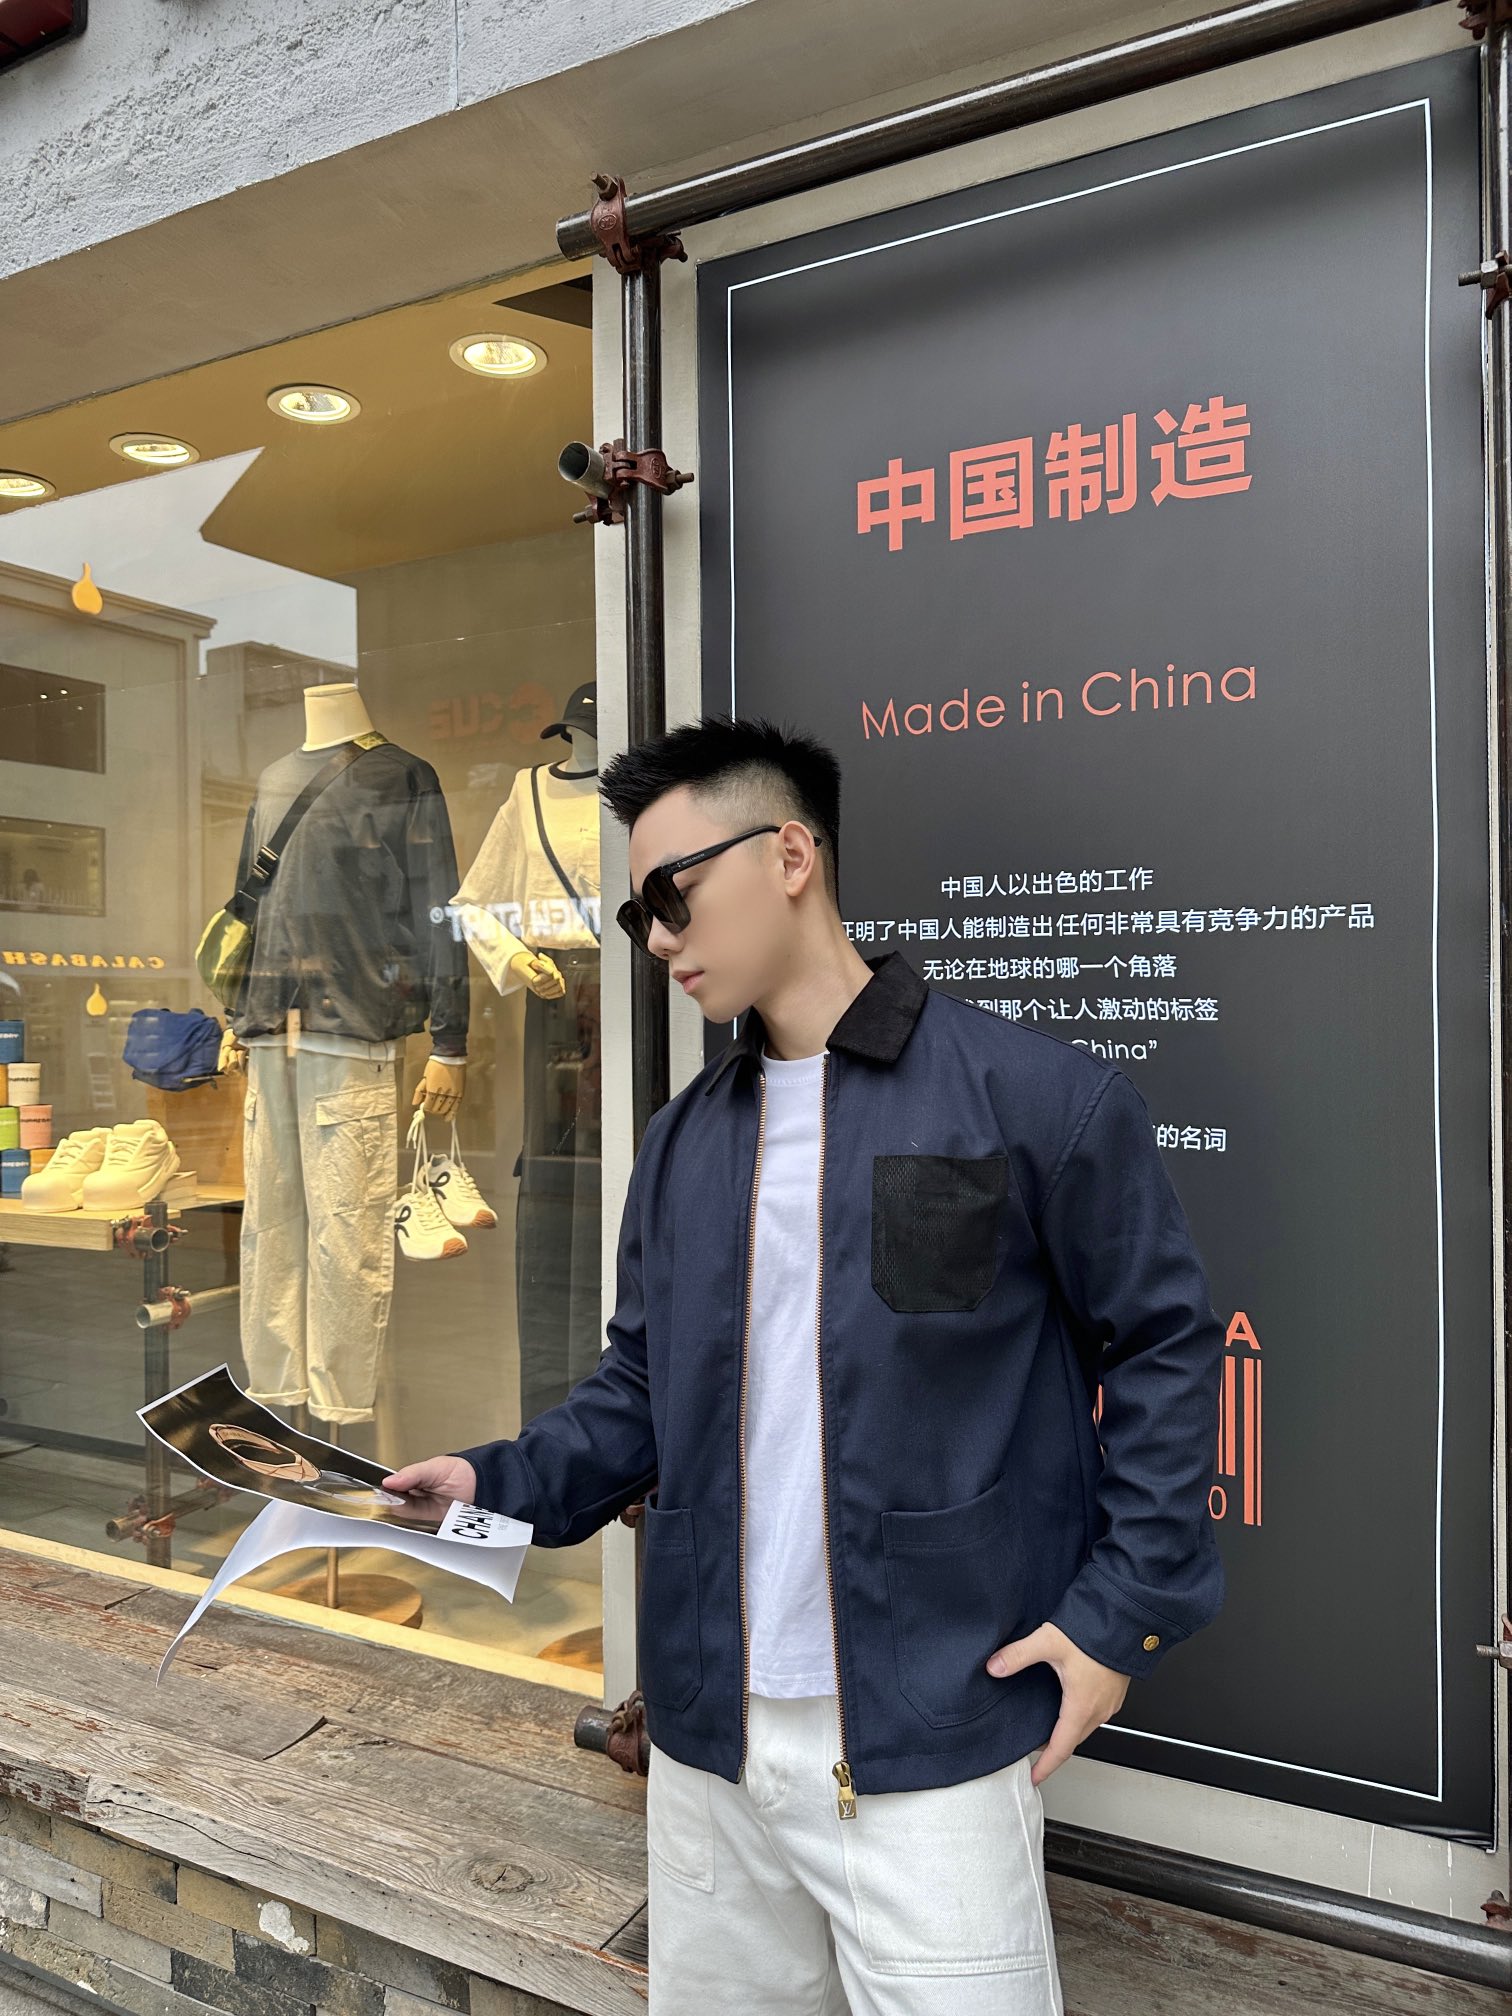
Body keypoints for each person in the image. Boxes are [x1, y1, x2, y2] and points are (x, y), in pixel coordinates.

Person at [385, 713, 1227, 2015]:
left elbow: (1167, 1347)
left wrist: (1117, 1620)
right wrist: (493, 1485)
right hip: (707, 1746)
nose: (657, 938)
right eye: (637, 915)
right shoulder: (680, 1144)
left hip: (935, 1737)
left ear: (791, 856)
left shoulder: (1032, 1100)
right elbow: (640, 1391)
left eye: (673, 895)